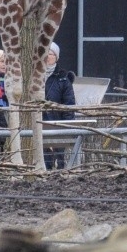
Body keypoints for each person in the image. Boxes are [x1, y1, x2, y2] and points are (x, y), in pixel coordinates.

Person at [43, 42, 76, 170]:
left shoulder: (63, 79)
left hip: (58, 123)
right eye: (46, 53)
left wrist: (67, 126)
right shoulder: (36, 76)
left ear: (56, 57)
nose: (48, 57)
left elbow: (69, 104)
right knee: (45, 159)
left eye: (51, 54)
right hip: (41, 122)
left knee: (59, 158)